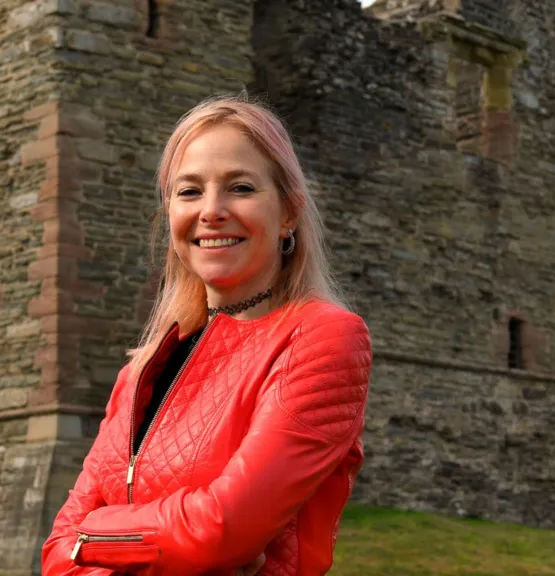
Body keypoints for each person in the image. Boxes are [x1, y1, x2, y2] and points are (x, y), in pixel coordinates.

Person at [40, 94, 373, 576]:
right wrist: (173, 544)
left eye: (240, 188)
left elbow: (224, 528)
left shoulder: (321, 338)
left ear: (288, 213)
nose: (211, 211)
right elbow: (55, 551)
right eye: (190, 191)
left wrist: (90, 535)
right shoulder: (141, 371)